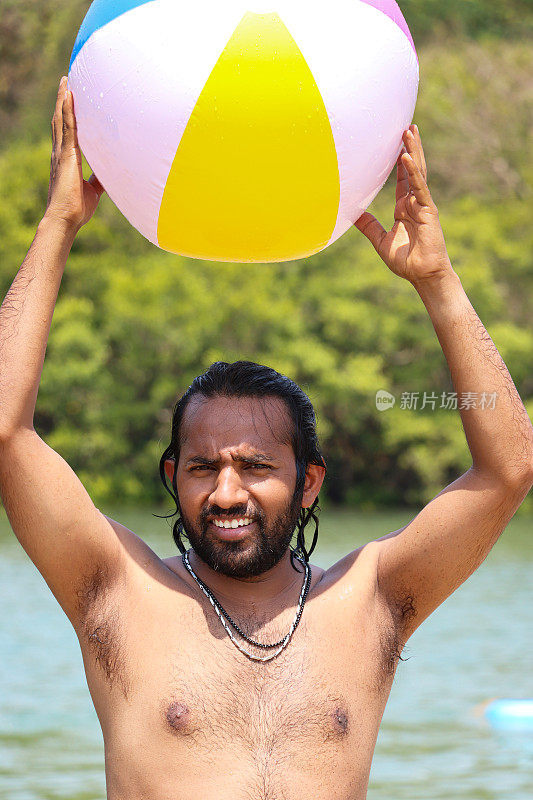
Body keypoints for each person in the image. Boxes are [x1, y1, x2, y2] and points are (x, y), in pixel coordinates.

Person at [0, 76, 532, 800]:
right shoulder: (115, 590)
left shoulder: (373, 599)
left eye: (254, 466)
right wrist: (57, 224)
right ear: (171, 476)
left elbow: (508, 469)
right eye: (200, 467)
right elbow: (6, 433)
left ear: (308, 481)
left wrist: (436, 280)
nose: (225, 492)